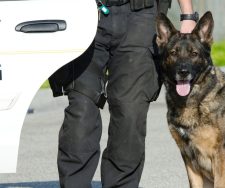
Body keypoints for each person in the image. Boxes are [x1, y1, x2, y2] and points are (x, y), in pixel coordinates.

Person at [48, 0, 197, 187]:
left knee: (130, 111)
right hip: (83, 12)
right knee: (81, 109)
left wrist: (188, 14)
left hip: (139, 16)